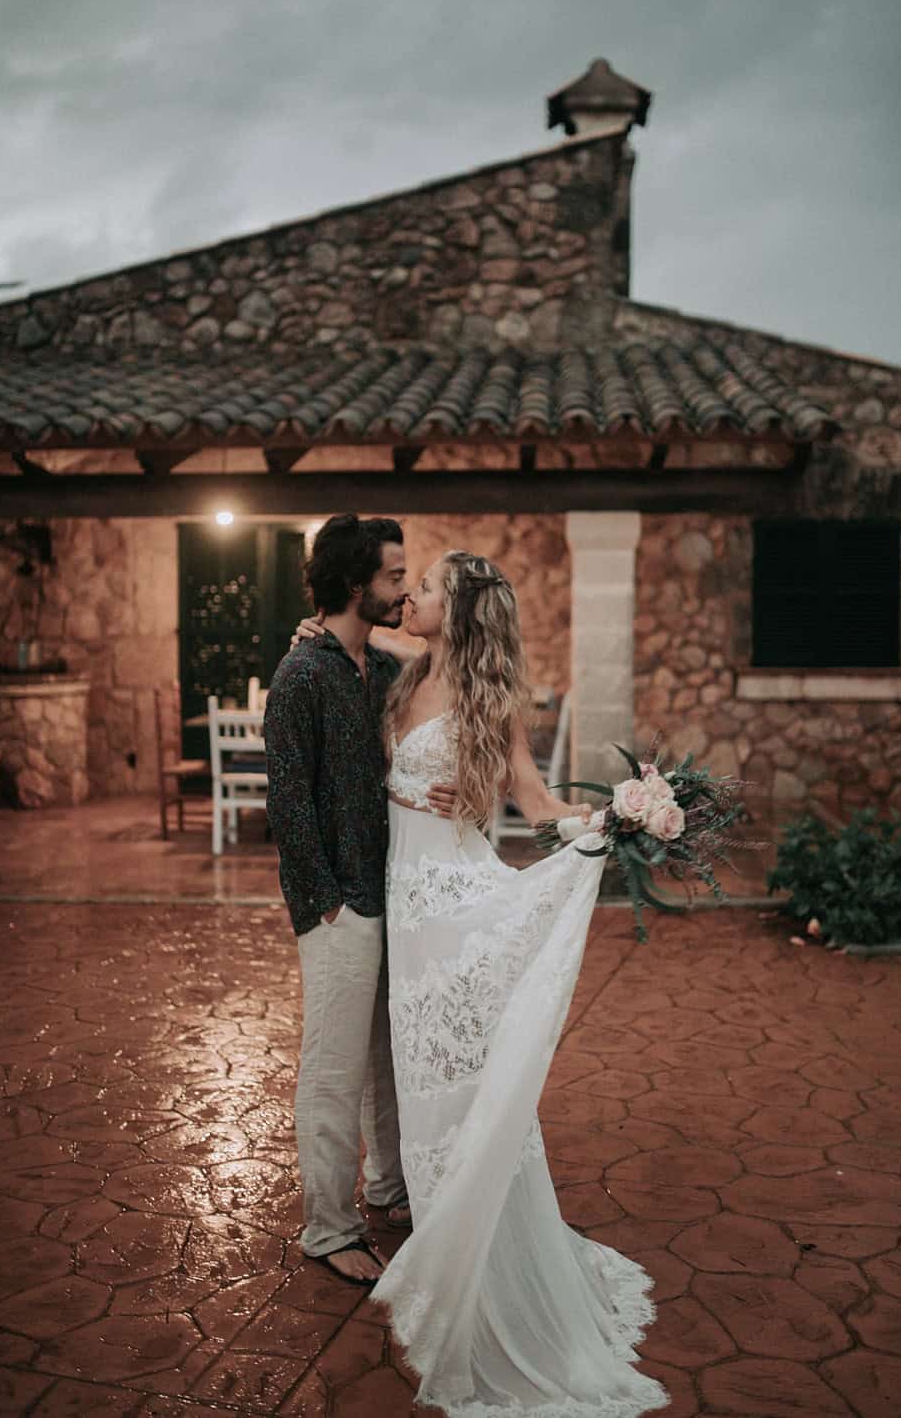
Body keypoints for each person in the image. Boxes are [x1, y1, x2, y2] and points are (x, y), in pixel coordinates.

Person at [295, 548, 669, 1416]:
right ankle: (440, 1221)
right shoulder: (403, 666)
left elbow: (537, 807)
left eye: (423, 588)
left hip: (456, 912)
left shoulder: (485, 702)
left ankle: (478, 1252)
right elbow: (359, 639)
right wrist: (318, 630)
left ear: (456, 611)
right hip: (407, 907)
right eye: (410, 583)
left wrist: (618, 814)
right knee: (424, 1085)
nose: (408, 595)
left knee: (456, 1084)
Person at [263, 514, 454, 1287]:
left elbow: (445, 662)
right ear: (354, 586)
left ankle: (387, 1188)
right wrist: (324, 904)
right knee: (334, 1071)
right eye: (393, 577)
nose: (405, 589)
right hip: (339, 905)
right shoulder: (301, 677)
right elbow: (289, 805)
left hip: (390, 893)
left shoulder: (371, 668)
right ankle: (329, 1227)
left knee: (386, 1058)